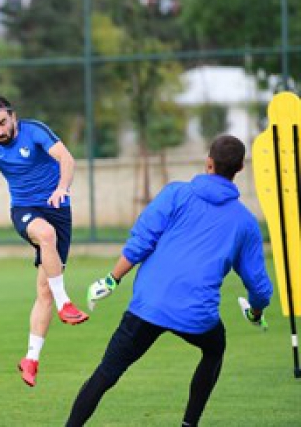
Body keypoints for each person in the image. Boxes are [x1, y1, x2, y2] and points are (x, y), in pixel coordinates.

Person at [66, 135, 274, 427]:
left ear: (209, 162)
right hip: (196, 316)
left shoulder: (176, 193)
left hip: (148, 305)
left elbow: (141, 242)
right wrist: (256, 311)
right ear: (240, 168)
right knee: (214, 349)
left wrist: (111, 280)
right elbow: (259, 286)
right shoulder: (245, 222)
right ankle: (189, 424)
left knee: (106, 372)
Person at [0, 96, 89, 387]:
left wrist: (62, 187)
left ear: (13, 116)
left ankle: (30, 359)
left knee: (44, 291)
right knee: (45, 235)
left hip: (58, 208)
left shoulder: (35, 131)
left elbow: (67, 158)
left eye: (2, 123)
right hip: (25, 211)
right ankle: (66, 303)